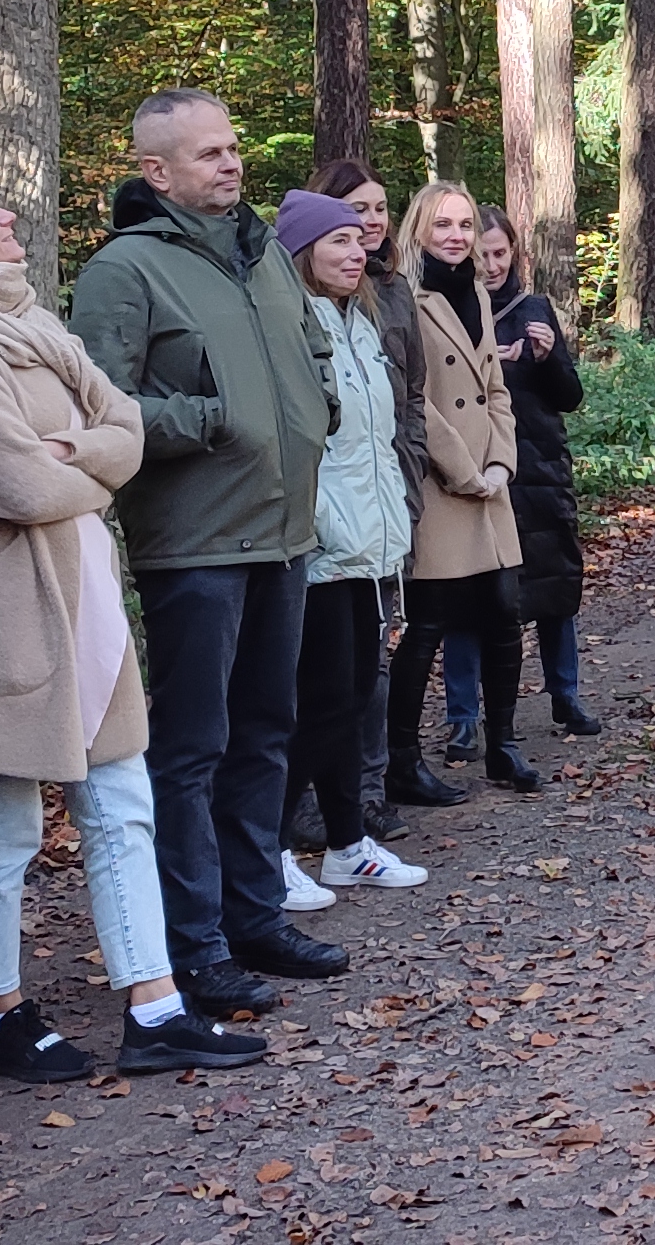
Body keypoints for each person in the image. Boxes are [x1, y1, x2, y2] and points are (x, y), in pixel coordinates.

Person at [0, 174, 268, 1088]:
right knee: (1, 826)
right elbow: (26, 486)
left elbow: (125, 424)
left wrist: (76, 456)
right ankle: (0, 1016)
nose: (8, 214)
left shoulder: (37, 326)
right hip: (1, 613)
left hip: (86, 596)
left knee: (122, 807)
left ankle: (156, 1008)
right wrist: (80, 462)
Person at [66, 90, 348, 1016]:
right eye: (207, 155)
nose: (230, 165)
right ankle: (194, 945)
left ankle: (255, 915)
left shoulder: (263, 253)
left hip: (282, 532)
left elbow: (309, 353)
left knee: (267, 731)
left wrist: (318, 410)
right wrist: (212, 421)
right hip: (193, 544)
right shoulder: (125, 269)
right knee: (192, 750)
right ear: (157, 172)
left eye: (232, 149)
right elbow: (99, 409)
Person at [272, 190, 434, 910]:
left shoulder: (361, 320)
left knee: (353, 696)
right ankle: (266, 849)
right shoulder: (290, 323)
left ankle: (346, 846)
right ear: (303, 252)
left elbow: (383, 436)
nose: (355, 250)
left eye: (358, 240)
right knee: (320, 703)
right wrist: (329, 525)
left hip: (371, 542)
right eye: (336, 242)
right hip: (322, 545)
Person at [302, 160, 449, 821]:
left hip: (387, 499)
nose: (372, 221)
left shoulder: (387, 295)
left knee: (373, 664)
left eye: (380, 207)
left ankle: (368, 793)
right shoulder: (300, 309)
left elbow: (412, 395)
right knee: (326, 674)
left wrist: (411, 468)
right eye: (355, 210)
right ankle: (313, 809)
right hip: (329, 518)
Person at [392, 182, 534, 795]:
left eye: (466, 225)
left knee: (505, 614)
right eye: (443, 224)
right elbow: (413, 397)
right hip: (441, 482)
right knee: (427, 624)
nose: (457, 235)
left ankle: (502, 744)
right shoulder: (402, 294)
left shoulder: (477, 290)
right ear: (419, 228)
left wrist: (501, 463)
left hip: (491, 484)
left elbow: (495, 388)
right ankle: (402, 760)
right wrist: (462, 470)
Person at [476, 207, 600, 739]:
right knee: (479, 602)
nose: (491, 265)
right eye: (481, 255)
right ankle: (466, 717)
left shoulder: (535, 309)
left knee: (556, 589)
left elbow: (570, 396)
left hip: (542, 468)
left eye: (500, 253)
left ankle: (565, 696)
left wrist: (547, 357)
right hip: (482, 471)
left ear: (514, 255)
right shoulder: (448, 312)